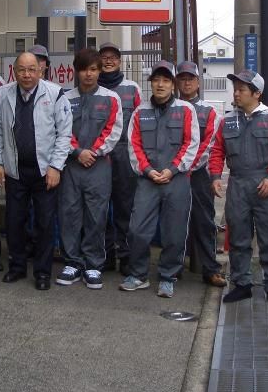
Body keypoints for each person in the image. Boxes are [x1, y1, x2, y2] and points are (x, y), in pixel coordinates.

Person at [209, 69, 268, 304]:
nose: (236, 93)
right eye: (235, 89)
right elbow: (216, 151)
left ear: (257, 93)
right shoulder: (226, 121)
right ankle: (241, 284)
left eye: (242, 90)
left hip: (265, 185)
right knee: (238, 237)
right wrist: (215, 176)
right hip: (237, 184)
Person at [0, 52, 73, 291]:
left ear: (41, 71)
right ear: (14, 71)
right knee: (14, 221)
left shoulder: (55, 94)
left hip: (45, 171)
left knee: (45, 223)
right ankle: (17, 266)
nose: (26, 75)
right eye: (21, 70)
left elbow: (64, 134)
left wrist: (56, 166)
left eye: (31, 69)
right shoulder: (2, 94)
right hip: (15, 170)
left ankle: (42, 272)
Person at [120, 61, 199, 299]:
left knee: (174, 231)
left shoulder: (186, 110)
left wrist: (173, 170)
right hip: (148, 180)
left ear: (173, 84)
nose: (160, 85)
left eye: (165, 80)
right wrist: (147, 170)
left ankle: (168, 276)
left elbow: (191, 143)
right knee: (137, 230)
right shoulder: (140, 112)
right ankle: (138, 275)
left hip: (177, 180)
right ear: (151, 83)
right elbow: (133, 145)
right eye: (156, 80)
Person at [56, 49, 123, 290]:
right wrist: (77, 152)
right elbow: (61, 129)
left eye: (93, 69)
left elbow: (113, 130)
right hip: (71, 166)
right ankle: (72, 262)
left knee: (97, 215)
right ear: (76, 71)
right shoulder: (65, 98)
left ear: (99, 71)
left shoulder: (111, 98)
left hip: (99, 166)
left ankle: (94, 264)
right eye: (84, 69)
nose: (88, 74)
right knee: (69, 214)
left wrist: (93, 152)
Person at [175, 61, 226, 287]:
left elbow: (209, 144)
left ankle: (210, 269)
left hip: (198, 174)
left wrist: (186, 166)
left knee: (204, 221)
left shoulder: (209, 111)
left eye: (191, 79)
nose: (187, 83)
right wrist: (174, 168)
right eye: (182, 79)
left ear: (198, 82)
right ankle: (172, 269)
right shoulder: (170, 107)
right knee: (173, 222)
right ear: (177, 82)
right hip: (172, 174)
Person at [97, 42, 142, 275]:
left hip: (125, 154)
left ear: (120, 61)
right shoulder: (92, 87)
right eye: (104, 57)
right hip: (99, 155)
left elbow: (140, 122)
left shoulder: (132, 88)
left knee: (125, 208)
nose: (108, 61)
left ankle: (126, 256)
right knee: (100, 208)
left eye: (113, 57)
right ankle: (105, 255)